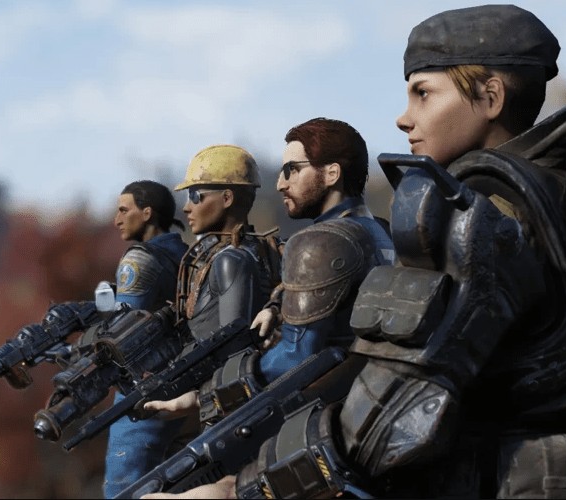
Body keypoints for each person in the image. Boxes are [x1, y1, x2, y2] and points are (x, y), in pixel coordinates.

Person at [147, 4, 566, 499]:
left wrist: (234, 491)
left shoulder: (478, 217)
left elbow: (386, 418)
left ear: (490, 98)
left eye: (423, 93)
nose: (404, 117)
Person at [145, 117, 395, 426]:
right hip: (378, 404)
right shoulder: (381, 231)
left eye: (292, 170)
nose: (280, 184)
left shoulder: (319, 242)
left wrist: (206, 397)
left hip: (331, 418)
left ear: (332, 173)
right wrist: (277, 305)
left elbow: (295, 356)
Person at [104, 148, 280, 497]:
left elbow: (230, 346)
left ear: (227, 198)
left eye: (197, 196)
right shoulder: (245, 251)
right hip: (208, 399)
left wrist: (193, 398)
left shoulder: (231, 259)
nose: (187, 207)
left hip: (219, 408)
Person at [102, 180, 189, 498]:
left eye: (124, 210)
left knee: (123, 487)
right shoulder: (186, 254)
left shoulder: (138, 261)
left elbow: (123, 333)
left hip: (143, 389)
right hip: (186, 381)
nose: (117, 220)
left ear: (148, 213)